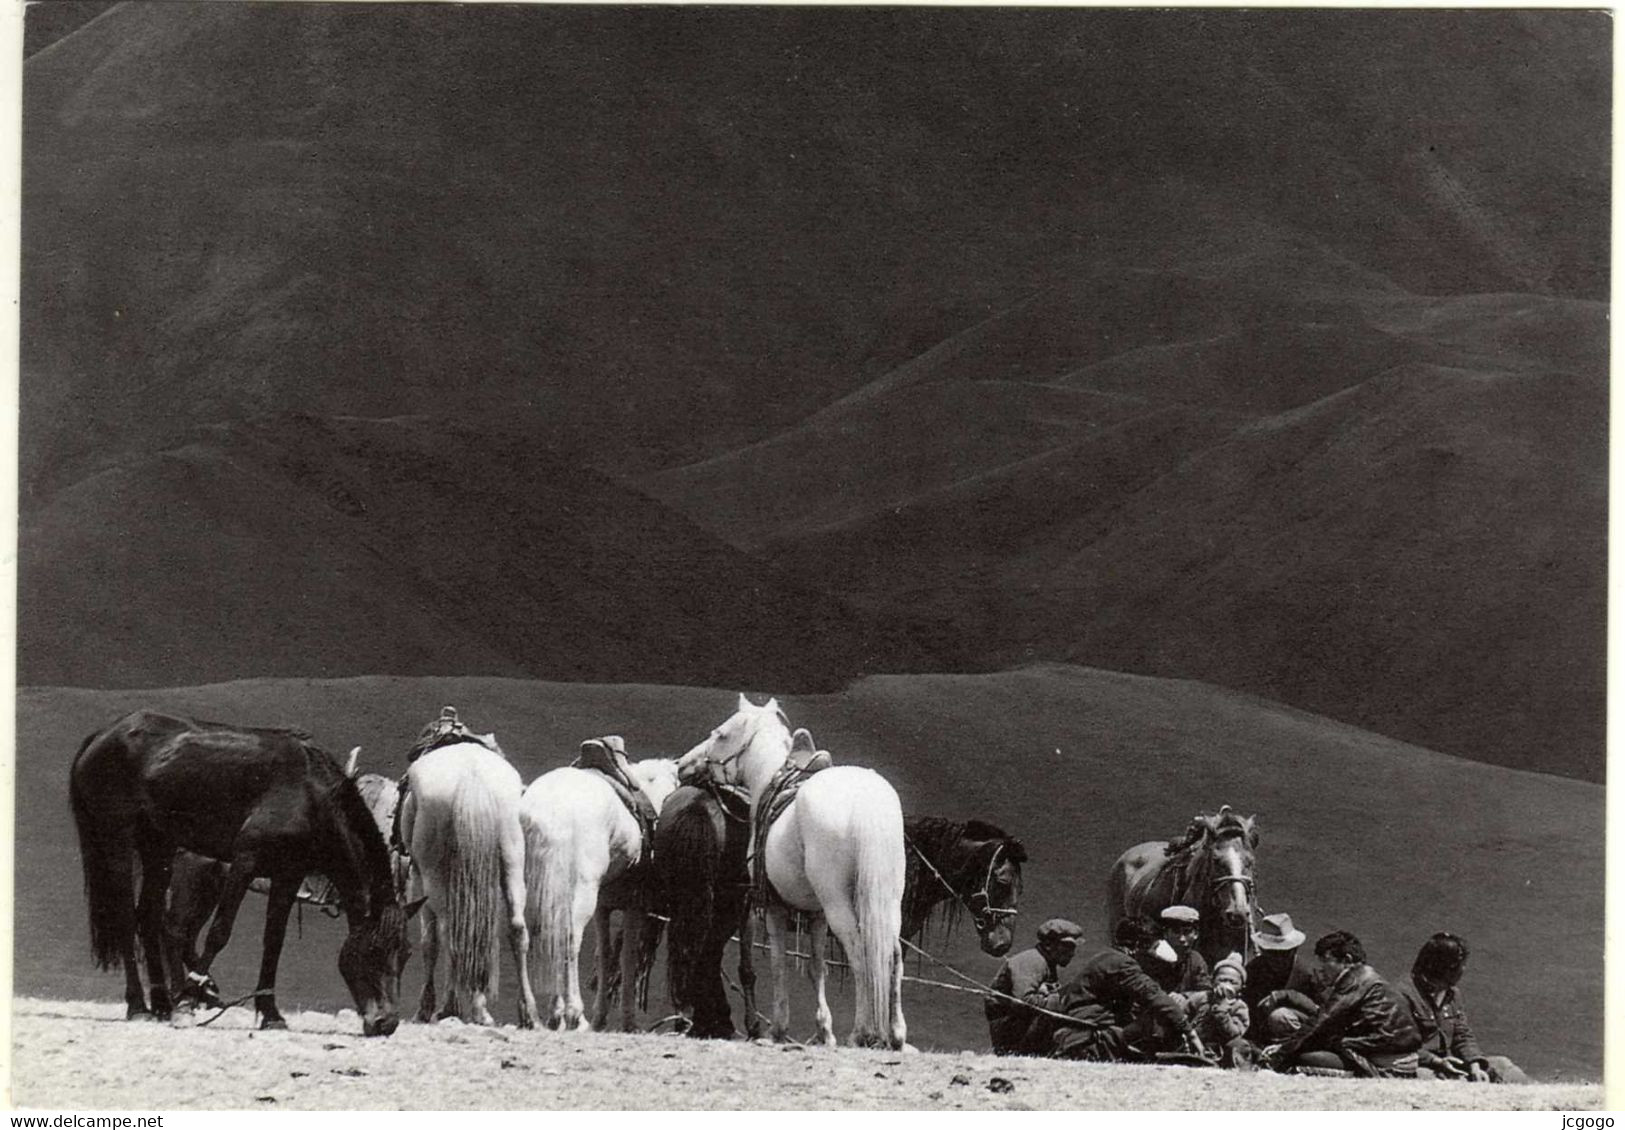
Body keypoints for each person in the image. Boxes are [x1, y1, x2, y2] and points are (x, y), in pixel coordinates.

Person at [1264, 930, 1423, 1078]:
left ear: (1347, 960)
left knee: (1301, 1058)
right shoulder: (1371, 978)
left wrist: (1280, 1055)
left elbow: (1321, 1022)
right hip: (1399, 1057)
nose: (1322, 968)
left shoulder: (1354, 980)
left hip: (1385, 1062)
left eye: (1326, 961)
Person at [1050, 917, 1199, 1062]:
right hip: (1088, 1036)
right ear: (1138, 945)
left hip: (1080, 1030)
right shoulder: (1123, 964)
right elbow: (1154, 996)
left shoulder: (1107, 957)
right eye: (1152, 948)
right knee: (1153, 1015)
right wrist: (1190, 1032)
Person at [1399, 932, 1529, 1084]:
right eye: (1460, 965)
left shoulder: (1452, 994)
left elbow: (1462, 1034)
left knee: (1504, 1067)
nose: (1463, 969)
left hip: (1454, 1064)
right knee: (1427, 1079)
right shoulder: (1403, 994)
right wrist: (1435, 1062)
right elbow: (1401, 1046)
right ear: (1444, 967)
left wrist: (1475, 1064)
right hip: (1424, 1065)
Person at [985, 918, 1085, 1056]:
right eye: (1067, 947)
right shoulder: (1032, 961)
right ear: (1049, 945)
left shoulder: (1047, 963)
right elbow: (1024, 1002)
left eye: (1074, 947)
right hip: (1012, 1033)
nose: (1072, 953)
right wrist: (1062, 1000)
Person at [1244, 911, 1319, 1042]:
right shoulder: (1253, 969)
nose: (1276, 958)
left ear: (1294, 950)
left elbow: (1320, 1010)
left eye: (1282, 953)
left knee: (1279, 1016)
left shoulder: (1307, 973)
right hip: (1262, 1029)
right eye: (1270, 953)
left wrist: (1286, 996)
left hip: (1300, 1027)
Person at [1183, 953, 1252, 1065]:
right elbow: (1183, 1014)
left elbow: (1233, 1033)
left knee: (1239, 1045)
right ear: (1212, 981)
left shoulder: (1240, 1007)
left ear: (1241, 988)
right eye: (1222, 980)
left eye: (1232, 982)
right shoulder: (1201, 997)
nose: (1226, 985)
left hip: (1221, 1046)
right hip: (1195, 1040)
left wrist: (1221, 1009)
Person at [1151, 905, 1212, 998]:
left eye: (1187, 932)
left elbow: (1205, 990)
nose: (1182, 939)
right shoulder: (1152, 958)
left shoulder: (1195, 959)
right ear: (1165, 933)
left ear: (1196, 934)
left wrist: (1185, 996)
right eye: (1176, 932)